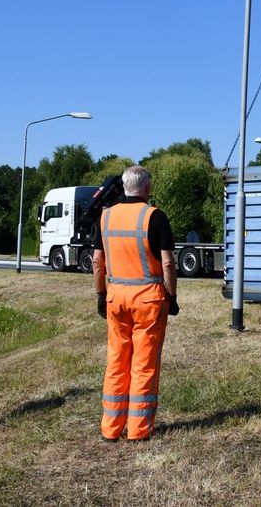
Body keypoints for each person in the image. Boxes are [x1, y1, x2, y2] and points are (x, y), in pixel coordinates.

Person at [92, 165, 179, 442]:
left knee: (117, 360)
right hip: (148, 300)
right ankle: (139, 429)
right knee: (144, 363)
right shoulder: (155, 217)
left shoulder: (104, 217)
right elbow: (167, 262)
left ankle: (111, 428)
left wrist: (100, 295)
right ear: (147, 188)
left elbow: (97, 261)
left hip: (116, 297)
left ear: (124, 187)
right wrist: (172, 296)